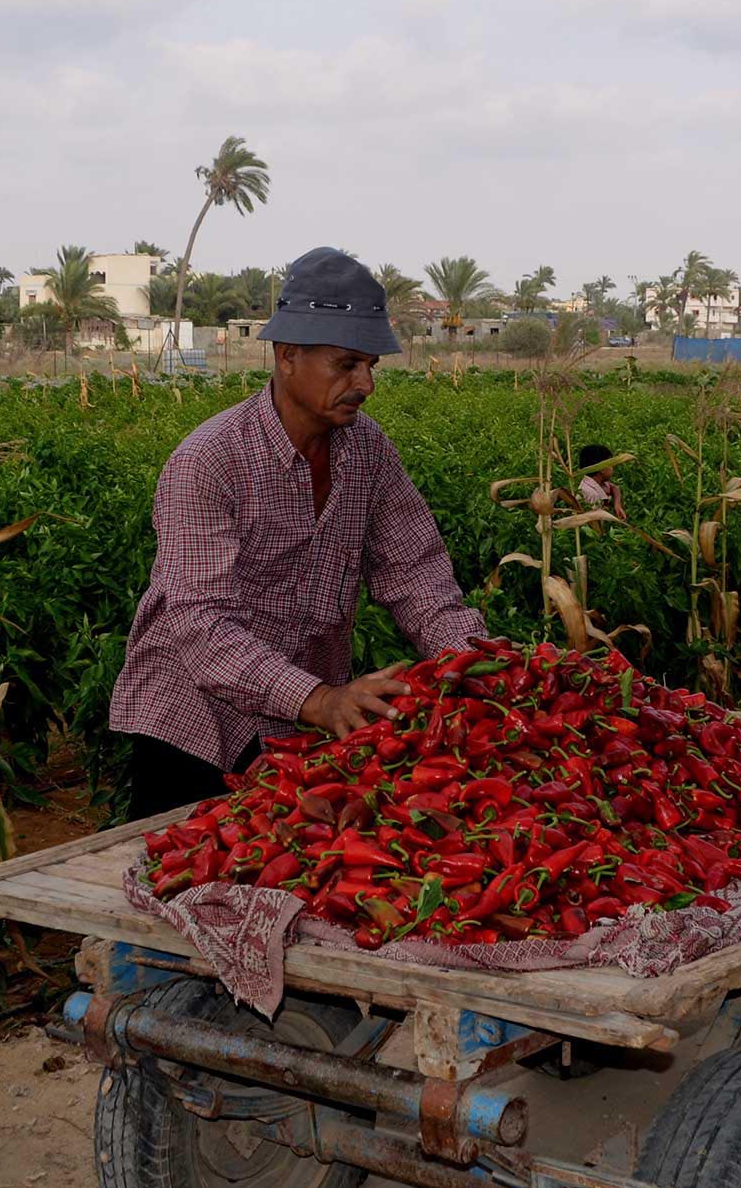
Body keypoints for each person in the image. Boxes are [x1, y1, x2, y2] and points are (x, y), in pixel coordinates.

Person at [110, 247, 487, 818]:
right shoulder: (210, 461)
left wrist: (477, 664)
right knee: (181, 880)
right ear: (288, 357)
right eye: (346, 365)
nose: (365, 383)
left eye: (370, 366)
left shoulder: (368, 452)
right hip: (193, 719)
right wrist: (319, 699)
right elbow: (198, 623)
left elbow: (417, 574)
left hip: (297, 727)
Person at [576, 444, 626, 520]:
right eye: (611, 465)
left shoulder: (600, 482)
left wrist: (617, 505)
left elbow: (614, 488)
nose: (613, 469)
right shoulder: (591, 494)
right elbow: (597, 522)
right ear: (602, 469)